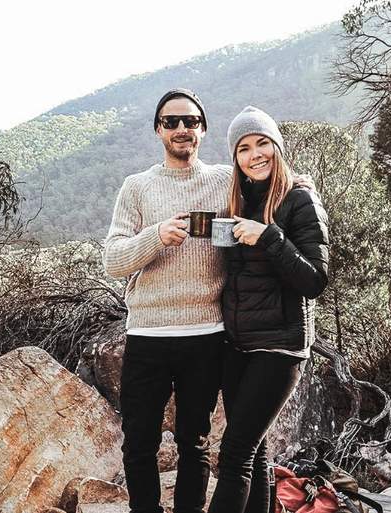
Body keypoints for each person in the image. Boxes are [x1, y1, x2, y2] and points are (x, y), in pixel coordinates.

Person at [102, 88, 230, 513]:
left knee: (195, 444)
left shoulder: (225, 182)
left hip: (207, 333)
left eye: (190, 122)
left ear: (203, 130)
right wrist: (155, 236)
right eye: (171, 122)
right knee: (140, 443)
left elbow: (265, 206)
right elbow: (113, 260)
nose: (181, 129)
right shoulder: (136, 187)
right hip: (149, 335)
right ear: (158, 129)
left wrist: (299, 185)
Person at [208, 106, 329, 513]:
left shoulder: (300, 199)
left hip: (280, 347)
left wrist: (269, 236)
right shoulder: (237, 202)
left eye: (262, 143)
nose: (254, 154)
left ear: (276, 147)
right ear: (235, 158)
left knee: (236, 451)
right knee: (256, 452)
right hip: (237, 345)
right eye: (244, 148)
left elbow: (314, 281)